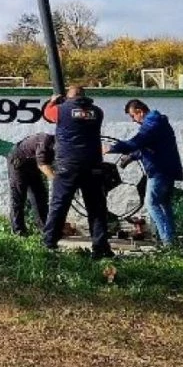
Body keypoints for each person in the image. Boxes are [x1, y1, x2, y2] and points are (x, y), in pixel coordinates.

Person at [42, 85, 114, 259]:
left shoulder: (60, 110)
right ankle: (100, 247)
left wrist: (53, 101)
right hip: (93, 165)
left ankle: (49, 242)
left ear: (69, 96)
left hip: (68, 165)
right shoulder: (98, 112)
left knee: (59, 205)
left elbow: (46, 115)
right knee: (96, 208)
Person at [107, 99, 183, 247]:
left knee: (151, 203)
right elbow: (147, 146)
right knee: (164, 204)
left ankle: (168, 242)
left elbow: (136, 142)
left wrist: (111, 148)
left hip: (159, 171)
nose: (133, 120)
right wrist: (132, 156)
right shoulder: (157, 123)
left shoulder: (151, 124)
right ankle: (171, 240)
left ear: (140, 112)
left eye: (132, 116)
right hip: (167, 170)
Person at [6, 132, 56, 236]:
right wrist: (58, 182)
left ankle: (44, 229)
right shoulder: (45, 143)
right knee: (19, 196)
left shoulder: (59, 146)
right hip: (18, 161)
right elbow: (43, 166)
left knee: (40, 196)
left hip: (33, 165)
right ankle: (18, 231)